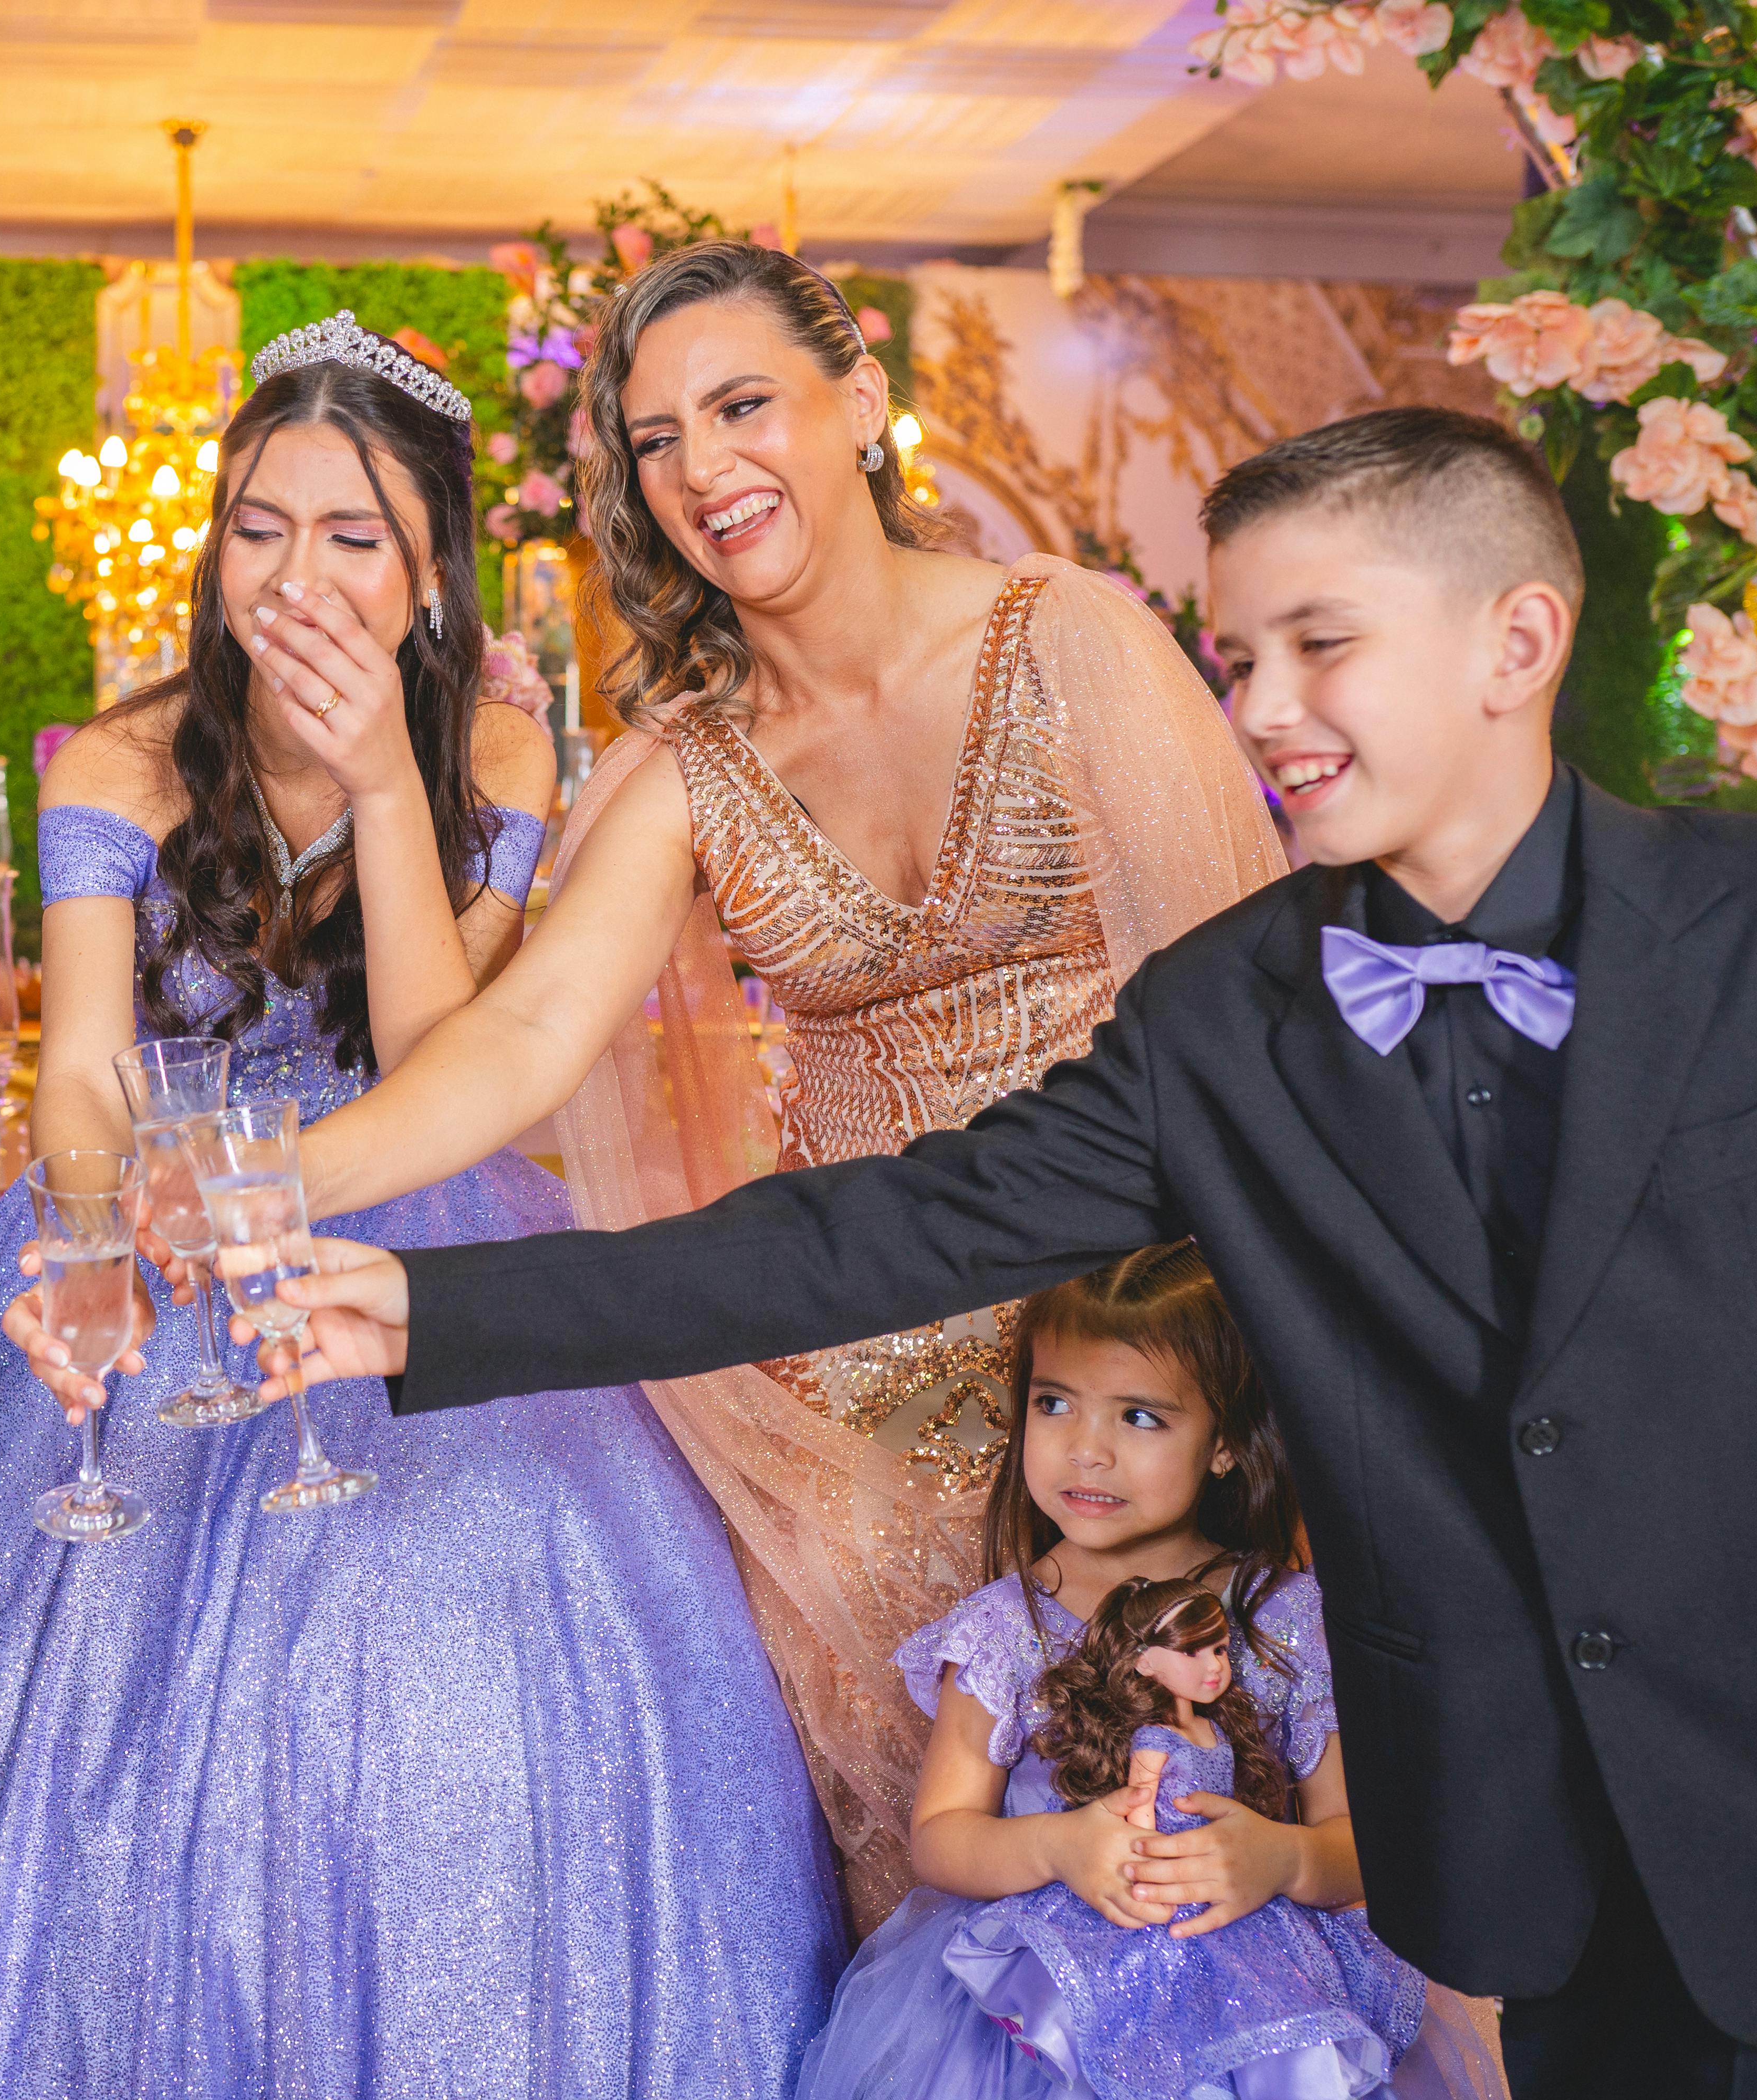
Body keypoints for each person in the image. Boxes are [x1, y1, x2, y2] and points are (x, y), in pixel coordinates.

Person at [268, 405, 1757, 2096]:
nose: (1263, 711)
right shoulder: (1225, 1017)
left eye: (1320, 647)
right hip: (1508, 1855)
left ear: (1520, 640)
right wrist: (424, 1305)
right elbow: (879, 1230)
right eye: (1239, 654)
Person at [0, 317, 846, 2098]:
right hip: (145, 1218)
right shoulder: (120, 759)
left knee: (444, 1672)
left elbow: (434, 1049)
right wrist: (108, 1228)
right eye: (261, 528)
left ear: (429, 566)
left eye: (354, 538)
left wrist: (396, 785)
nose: (299, 578)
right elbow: (81, 1076)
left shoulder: (496, 748)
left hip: (406, 1206)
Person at [263, 239, 1282, 1922]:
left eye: (741, 406)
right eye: (654, 441)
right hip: (852, 1414)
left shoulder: (1077, 644)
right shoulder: (687, 757)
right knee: (915, 1883)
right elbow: (509, 1045)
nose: (702, 470)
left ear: (865, 401)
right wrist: (279, 1189)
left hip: (1135, 1353)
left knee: (1166, 1866)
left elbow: (1257, 1046)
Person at [790, 1247, 1501, 2100]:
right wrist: (1057, 1844)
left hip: (1257, 2020)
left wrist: (1282, 1860)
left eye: (1140, 1418)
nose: (1086, 1451)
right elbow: (943, 1835)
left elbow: (1365, 1846)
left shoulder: (1285, 1617)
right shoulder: (1003, 1628)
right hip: (1038, 2016)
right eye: (1054, 1404)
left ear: (1228, 1443)